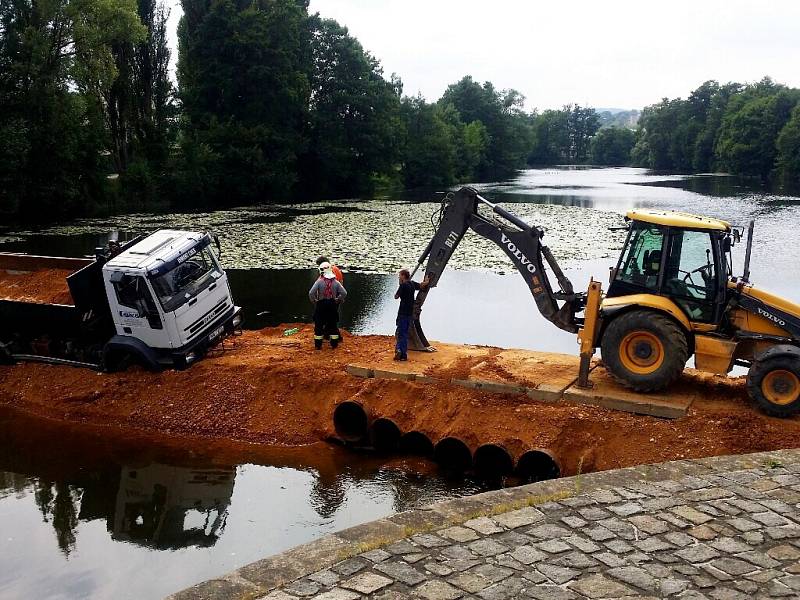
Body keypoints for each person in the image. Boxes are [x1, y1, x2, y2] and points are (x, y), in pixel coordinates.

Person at [309, 262, 347, 350]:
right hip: (332, 304)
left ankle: (318, 346)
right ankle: (334, 345)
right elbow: (344, 293)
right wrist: (338, 299)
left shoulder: (319, 282)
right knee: (333, 324)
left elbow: (311, 293)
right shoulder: (336, 282)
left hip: (321, 304)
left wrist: (315, 301)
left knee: (318, 325)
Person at [394, 269, 430, 361]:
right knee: (405, 333)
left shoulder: (403, 286)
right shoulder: (412, 284)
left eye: (400, 276)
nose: (399, 277)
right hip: (409, 313)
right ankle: (403, 355)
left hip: (402, 312)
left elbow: (396, 296)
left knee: (400, 333)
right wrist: (426, 281)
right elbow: (422, 285)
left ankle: (399, 351)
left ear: (403, 276)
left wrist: (400, 285)